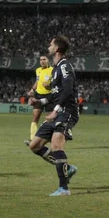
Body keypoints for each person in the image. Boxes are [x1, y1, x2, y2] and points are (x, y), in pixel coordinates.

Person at [27, 36, 78, 196]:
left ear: (56, 49)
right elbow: (54, 95)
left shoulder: (64, 66)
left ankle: (64, 188)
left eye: (50, 45)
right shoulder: (55, 68)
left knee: (56, 145)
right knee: (34, 146)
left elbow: (68, 89)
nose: (48, 47)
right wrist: (39, 100)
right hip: (56, 112)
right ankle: (67, 168)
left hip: (66, 112)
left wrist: (56, 109)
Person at [26, 55, 53, 143]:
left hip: (49, 96)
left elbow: (56, 84)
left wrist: (49, 86)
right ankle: (32, 139)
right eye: (40, 60)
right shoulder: (38, 70)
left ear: (48, 60)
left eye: (44, 59)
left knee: (49, 119)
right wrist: (32, 89)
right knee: (35, 118)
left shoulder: (53, 70)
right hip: (38, 95)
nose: (42, 61)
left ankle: (47, 137)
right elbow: (37, 81)